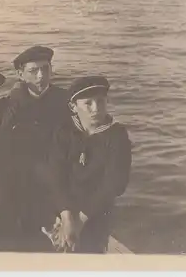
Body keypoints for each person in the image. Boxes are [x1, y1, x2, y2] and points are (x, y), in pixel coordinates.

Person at [2, 45, 72, 252]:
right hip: (22, 175)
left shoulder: (64, 100)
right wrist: (17, 99)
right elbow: (2, 135)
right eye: (33, 71)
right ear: (20, 75)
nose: (41, 75)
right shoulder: (11, 102)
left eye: (45, 69)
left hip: (57, 171)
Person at [53, 76, 132, 253]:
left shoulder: (117, 136)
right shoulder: (64, 132)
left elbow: (115, 184)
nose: (96, 109)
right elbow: (56, 174)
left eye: (101, 102)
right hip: (64, 206)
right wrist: (66, 216)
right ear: (73, 107)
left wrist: (80, 220)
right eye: (88, 103)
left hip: (97, 209)